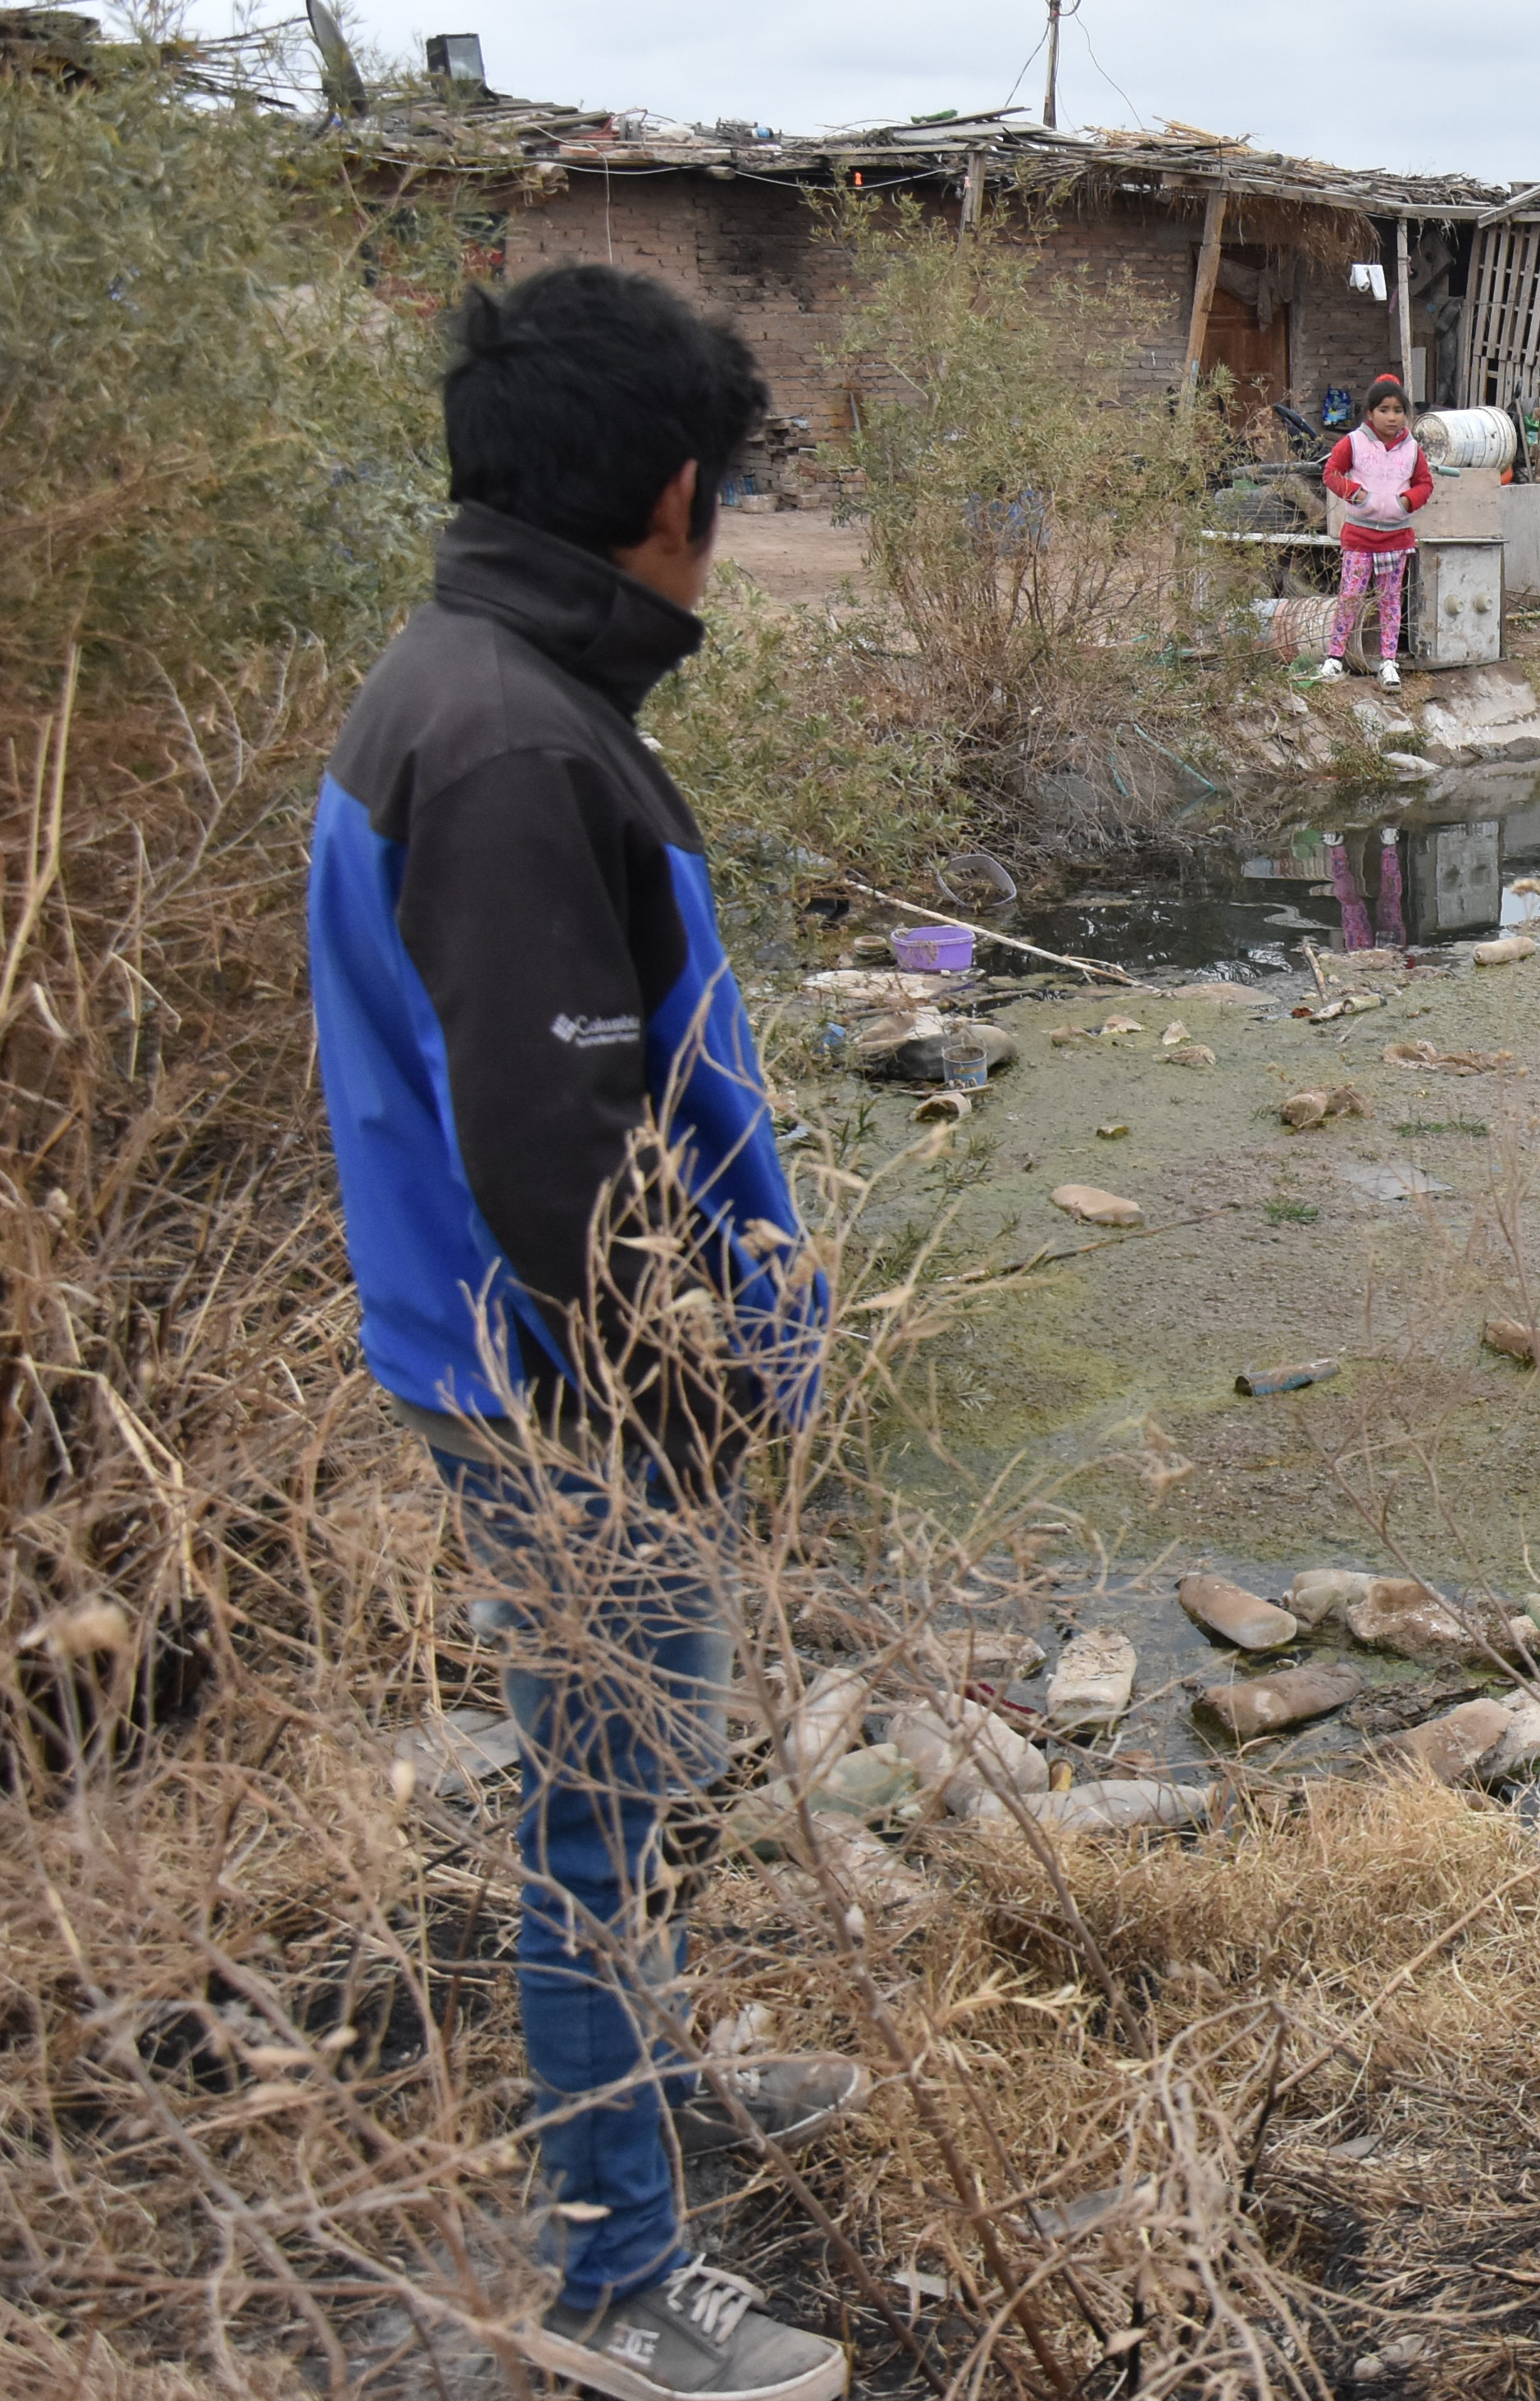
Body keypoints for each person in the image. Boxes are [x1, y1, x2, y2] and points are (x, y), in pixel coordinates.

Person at [308, 264, 857, 2401]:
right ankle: (619, 2278)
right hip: (564, 1397)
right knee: (600, 1820)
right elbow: (569, 1171)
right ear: (677, 493)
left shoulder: (492, 683)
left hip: (540, 1371)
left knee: (643, 1784)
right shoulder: (514, 745)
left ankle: (663, 2088)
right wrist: (706, 1397)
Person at [1314, 372, 1434, 689]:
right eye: (1384, 410)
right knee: (1350, 597)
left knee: (1390, 600)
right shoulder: (1354, 442)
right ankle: (1334, 658)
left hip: (1396, 538)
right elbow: (1331, 473)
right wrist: (1357, 494)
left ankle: (1388, 663)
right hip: (1359, 537)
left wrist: (1407, 502)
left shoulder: (1412, 449)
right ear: (1370, 413)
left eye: (1398, 410)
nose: (1391, 417)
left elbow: (1425, 484)